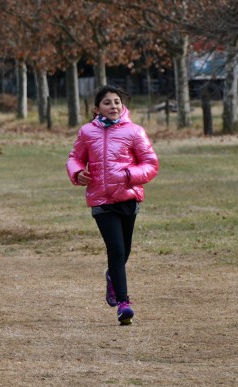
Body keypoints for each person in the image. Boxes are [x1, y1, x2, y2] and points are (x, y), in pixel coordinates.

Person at [66, 85, 159, 325]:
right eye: (107, 103)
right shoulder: (87, 132)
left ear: (123, 105)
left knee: (124, 251)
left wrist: (130, 174)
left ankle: (112, 278)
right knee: (116, 250)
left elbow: (150, 163)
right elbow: (75, 158)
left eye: (117, 102)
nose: (113, 106)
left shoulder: (135, 131)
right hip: (101, 199)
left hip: (128, 197)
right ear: (97, 109)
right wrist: (78, 173)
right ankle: (123, 303)